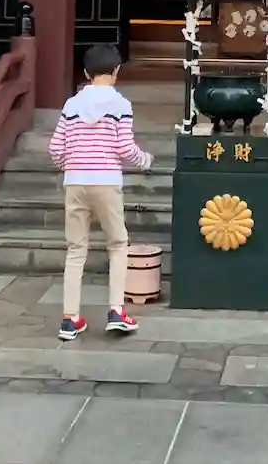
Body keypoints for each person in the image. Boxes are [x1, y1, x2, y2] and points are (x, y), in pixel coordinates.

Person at [47, 43, 154, 339]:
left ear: (86, 73)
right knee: (118, 244)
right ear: (116, 70)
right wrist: (145, 160)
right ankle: (116, 312)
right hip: (106, 181)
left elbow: (55, 148)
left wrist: (69, 166)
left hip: (75, 182)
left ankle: (70, 319)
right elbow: (124, 147)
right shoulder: (121, 104)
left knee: (76, 249)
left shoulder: (71, 105)